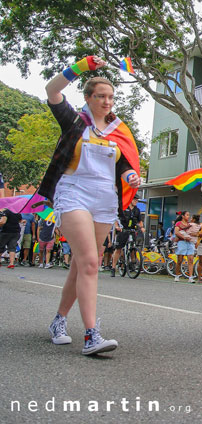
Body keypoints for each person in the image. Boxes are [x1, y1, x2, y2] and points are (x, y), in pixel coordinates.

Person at [42, 55, 140, 355]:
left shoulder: (117, 131)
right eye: (101, 96)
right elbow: (52, 90)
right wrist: (82, 67)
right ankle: (91, 335)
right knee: (90, 263)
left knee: (82, 264)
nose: (107, 101)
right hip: (73, 192)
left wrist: (131, 175)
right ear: (88, 98)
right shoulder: (75, 121)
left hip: (104, 198)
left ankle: (59, 320)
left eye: (111, 97)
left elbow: (124, 164)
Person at [111, 195, 144, 277]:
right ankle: (113, 267)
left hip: (132, 230)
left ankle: (132, 262)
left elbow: (140, 221)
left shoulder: (137, 210)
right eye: (135, 199)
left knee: (133, 247)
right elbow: (116, 218)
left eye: (137, 200)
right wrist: (117, 226)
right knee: (118, 248)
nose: (136, 201)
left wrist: (142, 227)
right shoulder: (123, 207)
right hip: (123, 229)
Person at [174, 211, 194, 282]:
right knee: (180, 260)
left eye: (189, 215)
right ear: (183, 216)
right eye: (187, 215)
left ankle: (190, 277)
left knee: (191, 259)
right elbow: (176, 232)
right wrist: (184, 237)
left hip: (190, 243)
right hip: (181, 242)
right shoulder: (178, 223)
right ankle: (177, 275)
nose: (188, 216)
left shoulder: (190, 224)